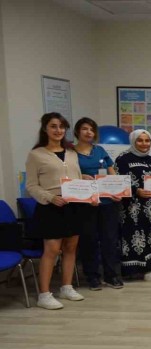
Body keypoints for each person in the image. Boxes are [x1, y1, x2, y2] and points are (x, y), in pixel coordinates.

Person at [25, 113, 87, 309]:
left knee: (70, 248)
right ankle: (44, 294)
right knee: (52, 250)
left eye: (61, 126)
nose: (58, 130)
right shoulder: (36, 154)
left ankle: (66, 287)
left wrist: (88, 187)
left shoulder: (72, 153)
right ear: (45, 129)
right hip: (50, 207)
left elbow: (76, 178)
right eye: (53, 126)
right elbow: (31, 185)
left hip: (74, 205)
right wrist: (50, 197)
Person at [114, 130, 151, 282]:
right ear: (133, 141)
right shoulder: (123, 158)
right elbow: (119, 181)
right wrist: (136, 190)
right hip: (133, 208)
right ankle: (136, 271)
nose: (144, 144)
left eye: (147, 140)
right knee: (135, 236)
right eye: (140, 140)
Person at [73, 117, 123, 290]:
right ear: (77, 131)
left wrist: (118, 190)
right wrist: (80, 177)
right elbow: (66, 175)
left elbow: (111, 172)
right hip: (85, 202)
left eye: (92, 129)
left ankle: (111, 275)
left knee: (110, 239)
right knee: (89, 240)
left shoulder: (100, 150)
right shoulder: (71, 152)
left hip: (107, 201)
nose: (89, 132)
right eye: (85, 129)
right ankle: (92, 276)